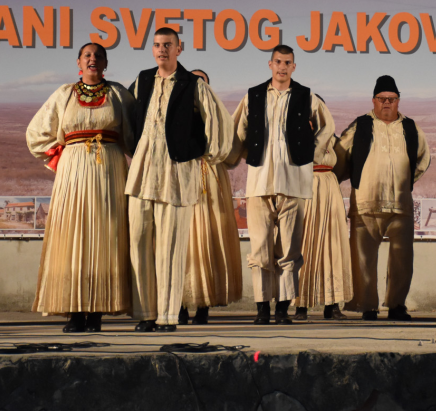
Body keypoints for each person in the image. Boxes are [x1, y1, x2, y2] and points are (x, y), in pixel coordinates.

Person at [126, 28, 233, 332]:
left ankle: (167, 316)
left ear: (178, 49)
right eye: (157, 45)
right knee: (138, 242)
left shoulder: (193, 84)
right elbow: (128, 117)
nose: (162, 50)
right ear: (153, 49)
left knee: (171, 247)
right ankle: (146, 313)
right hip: (142, 174)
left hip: (176, 174)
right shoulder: (143, 80)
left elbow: (218, 122)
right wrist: (134, 149)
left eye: (168, 45)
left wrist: (201, 152)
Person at [26, 42, 136, 332]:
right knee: (71, 235)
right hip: (73, 170)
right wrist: (60, 157)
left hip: (109, 169)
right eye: (87, 55)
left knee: (106, 234)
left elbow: (136, 135)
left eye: (98, 55)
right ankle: (74, 310)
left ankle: (98, 311)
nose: (92, 59)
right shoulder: (64, 94)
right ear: (78, 62)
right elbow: (36, 133)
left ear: (106, 63)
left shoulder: (119, 94)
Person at [226, 44, 334, 325]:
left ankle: (283, 309)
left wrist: (311, 155)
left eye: (287, 63)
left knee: (289, 249)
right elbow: (237, 131)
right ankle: (262, 308)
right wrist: (242, 156)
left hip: (293, 182)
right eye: (278, 62)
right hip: (259, 183)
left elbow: (327, 127)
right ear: (270, 64)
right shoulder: (253, 95)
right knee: (260, 249)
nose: (282, 67)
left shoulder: (307, 96)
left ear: (293, 67)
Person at [339, 75, 431, 321]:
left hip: (400, 204)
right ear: (373, 100)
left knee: (402, 259)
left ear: (398, 101)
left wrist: (406, 180)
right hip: (366, 202)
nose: (387, 103)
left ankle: (396, 305)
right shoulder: (359, 126)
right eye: (382, 99)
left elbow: (423, 159)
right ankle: (367, 305)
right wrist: (354, 179)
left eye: (391, 98)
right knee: (363, 259)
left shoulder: (411, 128)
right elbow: (341, 155)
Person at [177, 69, 244, 325]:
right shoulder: (175, 116)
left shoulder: (220, 117)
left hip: (212, 177)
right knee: (182, 241)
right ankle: (180, 302)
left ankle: (205, 304)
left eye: (201, 83)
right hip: (181, 177)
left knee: (211, 236)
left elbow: (232, 153)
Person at [293, 122, 353, 321]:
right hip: (305, 187)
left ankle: (332, 304)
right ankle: (301, 304)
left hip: (329, 188)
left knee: (332, 246)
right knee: (305, 243)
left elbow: (343, 164)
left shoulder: (331, 140)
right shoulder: (292, 137)